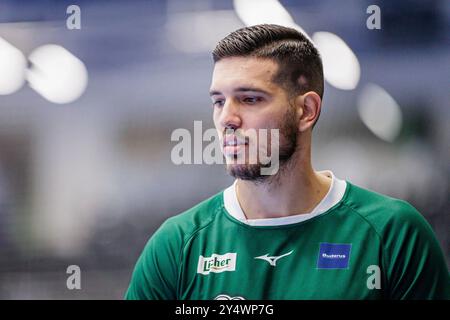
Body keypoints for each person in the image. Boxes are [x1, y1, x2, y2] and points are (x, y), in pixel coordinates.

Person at [125, 24, 449, 300]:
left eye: (250, 99)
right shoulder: (177, 246)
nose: (227, 119)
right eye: (218, 101)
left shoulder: (393, 234)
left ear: (306, 111)